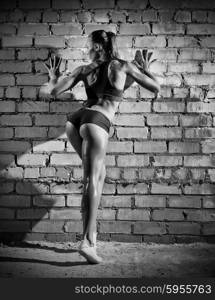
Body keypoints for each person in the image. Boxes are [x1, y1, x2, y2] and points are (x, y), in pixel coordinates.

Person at [40, 30, 160, 264]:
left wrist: (53, 77)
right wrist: (145, 69)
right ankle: (86, 242)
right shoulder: (122, 66)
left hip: (75, 122)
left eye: (88, 44)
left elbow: (52, 92)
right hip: (96, 123)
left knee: (98, 175)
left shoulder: (83, 70)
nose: (86, 48)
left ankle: (92, 236)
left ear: (97, 47)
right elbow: (156, 87)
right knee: (91, 180)